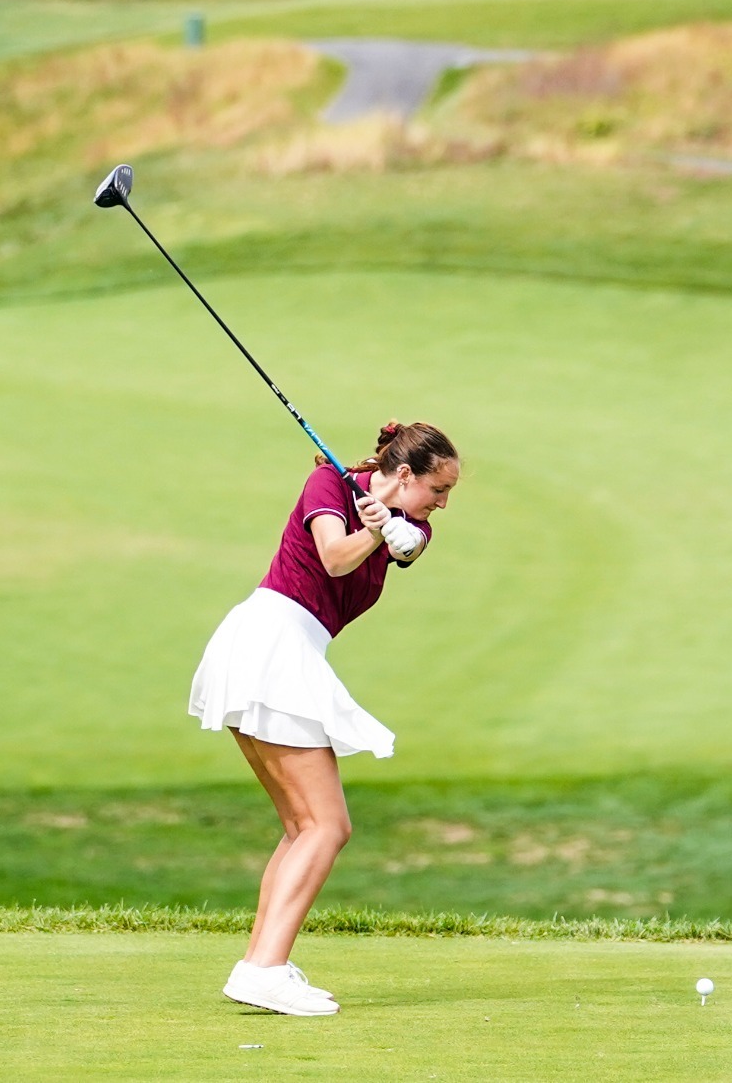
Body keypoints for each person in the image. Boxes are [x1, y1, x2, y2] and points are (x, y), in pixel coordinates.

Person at [189, 420, 459, 1016]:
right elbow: (335, 559)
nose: (443, 503)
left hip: (280, 651)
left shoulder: (413, 525)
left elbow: (408, 543)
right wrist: (370, 525)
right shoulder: (327, 486)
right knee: (327, 826)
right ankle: (264, 971)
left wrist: (391, 524)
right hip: (270, 640)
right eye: (438, 488)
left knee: (303, 826)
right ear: (406, 473)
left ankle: (262, 964)